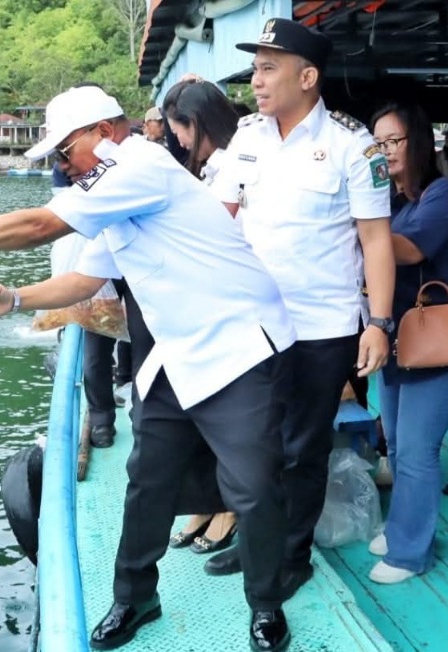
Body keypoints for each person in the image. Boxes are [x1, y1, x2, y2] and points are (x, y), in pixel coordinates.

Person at [0, 84, 312, 652]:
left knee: (254, 484)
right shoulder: (113, 192)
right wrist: (15, 298)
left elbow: (40, 225)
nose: (64, 168)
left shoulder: (139, 164)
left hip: (238, 344)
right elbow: (84, 280)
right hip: (177, 350)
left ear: (104, 132)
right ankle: (136, 597)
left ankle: (266, 604)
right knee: (147, 480)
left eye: (66, 152)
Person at [203, 18, 396, 595]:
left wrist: (380, 323)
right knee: (250, 444)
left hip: (322, 327)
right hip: (251, 322)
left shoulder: (351, 144)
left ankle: (291, 556)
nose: (256, 81)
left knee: (302, 448)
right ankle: (257, 539)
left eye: (268, 68)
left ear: (307, 76)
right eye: (256, 68)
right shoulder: (245, 138)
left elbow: (375, 239)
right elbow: (220, 222)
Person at [366, 102, 448, 583]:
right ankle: (401, 530)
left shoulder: (443, 195)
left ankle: (410, 553)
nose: (384, 151)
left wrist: (358, 225)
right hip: (399, 338)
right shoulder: (391, 200)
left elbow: (407, 250)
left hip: (441, 339)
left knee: (416, 448)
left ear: (419, 142)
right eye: (377, 143)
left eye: (393, 141)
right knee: (395, 440)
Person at [160, 78, 243, 555]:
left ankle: (230, 507)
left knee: (229, 422)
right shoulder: (209, 168)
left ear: (200, 123)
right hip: (208, 308)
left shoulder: (235, 165)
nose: (181, 142)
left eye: (182, 131)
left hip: (234, 310)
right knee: (203, 419)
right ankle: (212, 499)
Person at [52, 164, 130, 447]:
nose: (66, 166)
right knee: (99, 349)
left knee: (104, 349)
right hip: (105, 269)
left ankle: (104, 421)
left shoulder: (124, 169)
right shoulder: (83, 187)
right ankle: (102, 423)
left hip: (126, 268)